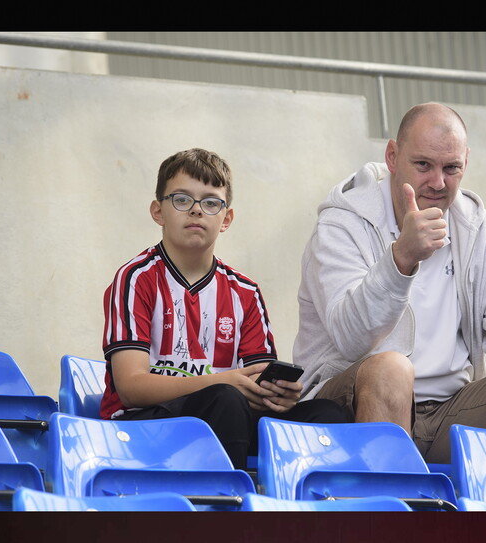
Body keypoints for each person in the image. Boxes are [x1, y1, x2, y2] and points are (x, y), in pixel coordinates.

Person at [293, 103, 486, 465]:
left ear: (465, 163)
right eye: (423, 165)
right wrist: (400, 260)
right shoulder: (343, 224)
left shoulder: (483, 230)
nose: (438, 183)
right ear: (392, 156)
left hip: (451, 410)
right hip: (349, 406)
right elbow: (350, 337)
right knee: (391, 370)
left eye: (451, 168)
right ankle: (387, 515)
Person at [99, 148, 348, 470]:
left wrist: (277, 395)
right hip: (144, 427)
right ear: (158, 211)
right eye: (182, 199)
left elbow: (257, 381)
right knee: (225, 398)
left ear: (226, 218)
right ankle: (229, 504)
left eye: (211, 202)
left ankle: (301, 514)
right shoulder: (136, 279)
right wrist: (222, 383)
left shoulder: (244, 292)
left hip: (228, 414)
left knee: (326, 414)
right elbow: (131, 388)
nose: (196, 211)